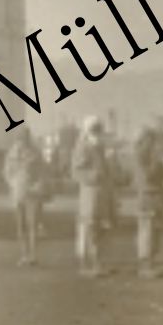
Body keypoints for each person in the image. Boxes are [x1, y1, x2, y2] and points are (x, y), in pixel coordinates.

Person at [71, 115, 110, 277]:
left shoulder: (100, 148)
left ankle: (97, 263)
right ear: (87, 131)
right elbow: (76, 171)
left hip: (101, 194)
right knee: (87, 228)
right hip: (89, 193)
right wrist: (92, 175)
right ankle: (84, 264)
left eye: (99, 129)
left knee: (99, 229)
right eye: (94, 129)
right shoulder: (82, 147)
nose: (98, 133)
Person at [131, 130, 163, 278]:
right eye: (150, 140)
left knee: (155, 232)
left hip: (156, 198)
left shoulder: (151, 156)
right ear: (143, 141)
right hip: (147, 198)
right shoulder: (139, 156)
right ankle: (145, 266)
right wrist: (157, 162)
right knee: (147, 232)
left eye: (153, 140)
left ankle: (151, 264)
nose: (153, 144)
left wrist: (158, 163)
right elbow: (147, 176)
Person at [3, 127, 46, 266]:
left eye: (24, 139)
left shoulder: (36, 153)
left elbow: (43, 172)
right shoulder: (12, 154)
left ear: (28, 139)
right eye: (20, 139)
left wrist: (38, 185)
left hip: (33, 194)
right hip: (18, 193)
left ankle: (33, 255)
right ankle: (24, 254)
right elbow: (6, 172)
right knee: (21, 225)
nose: (22, 142)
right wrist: (12, 183)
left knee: (32, 224)